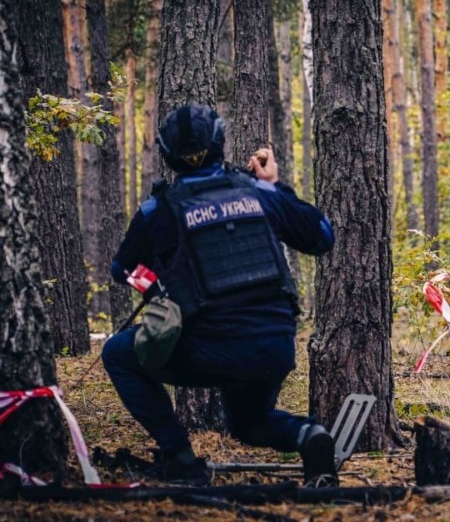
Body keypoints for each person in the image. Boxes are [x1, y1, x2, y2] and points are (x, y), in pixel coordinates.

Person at [102, 104, 337, 486]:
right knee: (250, 424)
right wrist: (275, 185)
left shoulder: (157, 211)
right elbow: (322, 237)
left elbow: (121, 271)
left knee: (118, 354)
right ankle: (310, 436)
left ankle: (180, 460)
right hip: (273, 347)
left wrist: (160, 288)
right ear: (219, 143)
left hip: (209, 348)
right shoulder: (261, 194)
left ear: (166, 153)